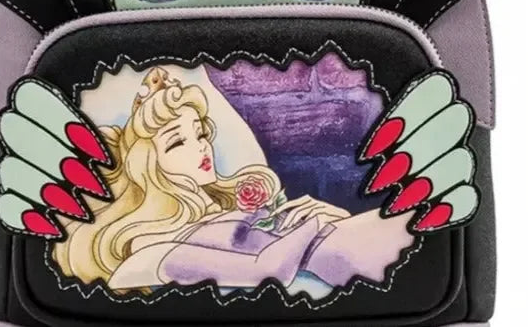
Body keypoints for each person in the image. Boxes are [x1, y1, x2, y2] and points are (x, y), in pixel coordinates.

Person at [53, 67, 414, 296]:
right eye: (177, 142)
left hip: (355, 243)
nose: (201, 147)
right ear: (147, 165)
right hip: (349, 254)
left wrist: (327, 216)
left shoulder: (215, 212)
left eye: (200, 133)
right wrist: (313, 223)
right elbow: (267, 271)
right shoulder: (146, 253)